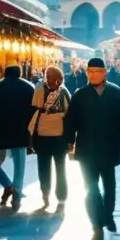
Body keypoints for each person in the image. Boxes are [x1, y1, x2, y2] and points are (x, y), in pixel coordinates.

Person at [64, 57, 120, 240]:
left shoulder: (115, 92)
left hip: (109, 147)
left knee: (110, 186)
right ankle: (96, 224)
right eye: (91, 71)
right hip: (87, 149)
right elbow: (71, 120)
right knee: (91, 188)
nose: (94, 75)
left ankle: (108, 215)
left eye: (98, 71)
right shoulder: (80, 95)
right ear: (87, 73)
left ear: (104, 72)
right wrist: (69, 142)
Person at [0, 64, 35, 209]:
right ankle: (16, 194)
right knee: (19, 166)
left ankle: (7, 184)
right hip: (20, 132)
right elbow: (34, 113)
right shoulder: (29, 87)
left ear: (5, 74)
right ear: (19, 74)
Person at [29, 65, 71, 212]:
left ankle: (60, 197)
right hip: (43, 135)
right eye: (47, 78)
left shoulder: (63, 92)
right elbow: (34, 109)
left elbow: (69, 115)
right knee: (44, 167)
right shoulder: (40, 89)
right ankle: (45, 193)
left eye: (51, 78)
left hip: (58, 136)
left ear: (58, 79)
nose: (48, 81)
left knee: (59, 168)